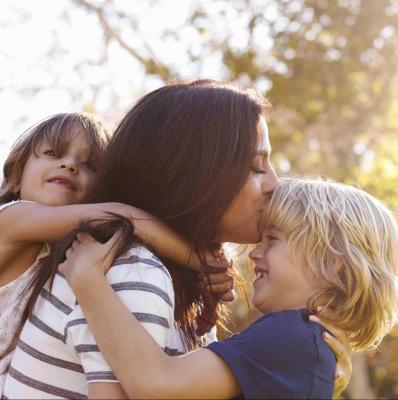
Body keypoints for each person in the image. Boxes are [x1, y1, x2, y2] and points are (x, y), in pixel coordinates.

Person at [3, 81, 348, 399]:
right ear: (193, 173)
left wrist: (305, 368)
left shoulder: (159, 279)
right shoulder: (130, 273)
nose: (276, 183)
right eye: (256, 166)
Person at [57, 177, 398, 399]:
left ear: (333, 261)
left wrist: (88, 280)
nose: (255, 253)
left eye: (273, 240)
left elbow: (155, 384)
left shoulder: (291, 336)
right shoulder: (307, 347)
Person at [0, 111, 229, 394]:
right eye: (52, 152)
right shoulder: (10, 219)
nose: (70, 165)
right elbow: (125, 217)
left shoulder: (66, 253)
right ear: (14, 177)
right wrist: (203, 262)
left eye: (89, 165)